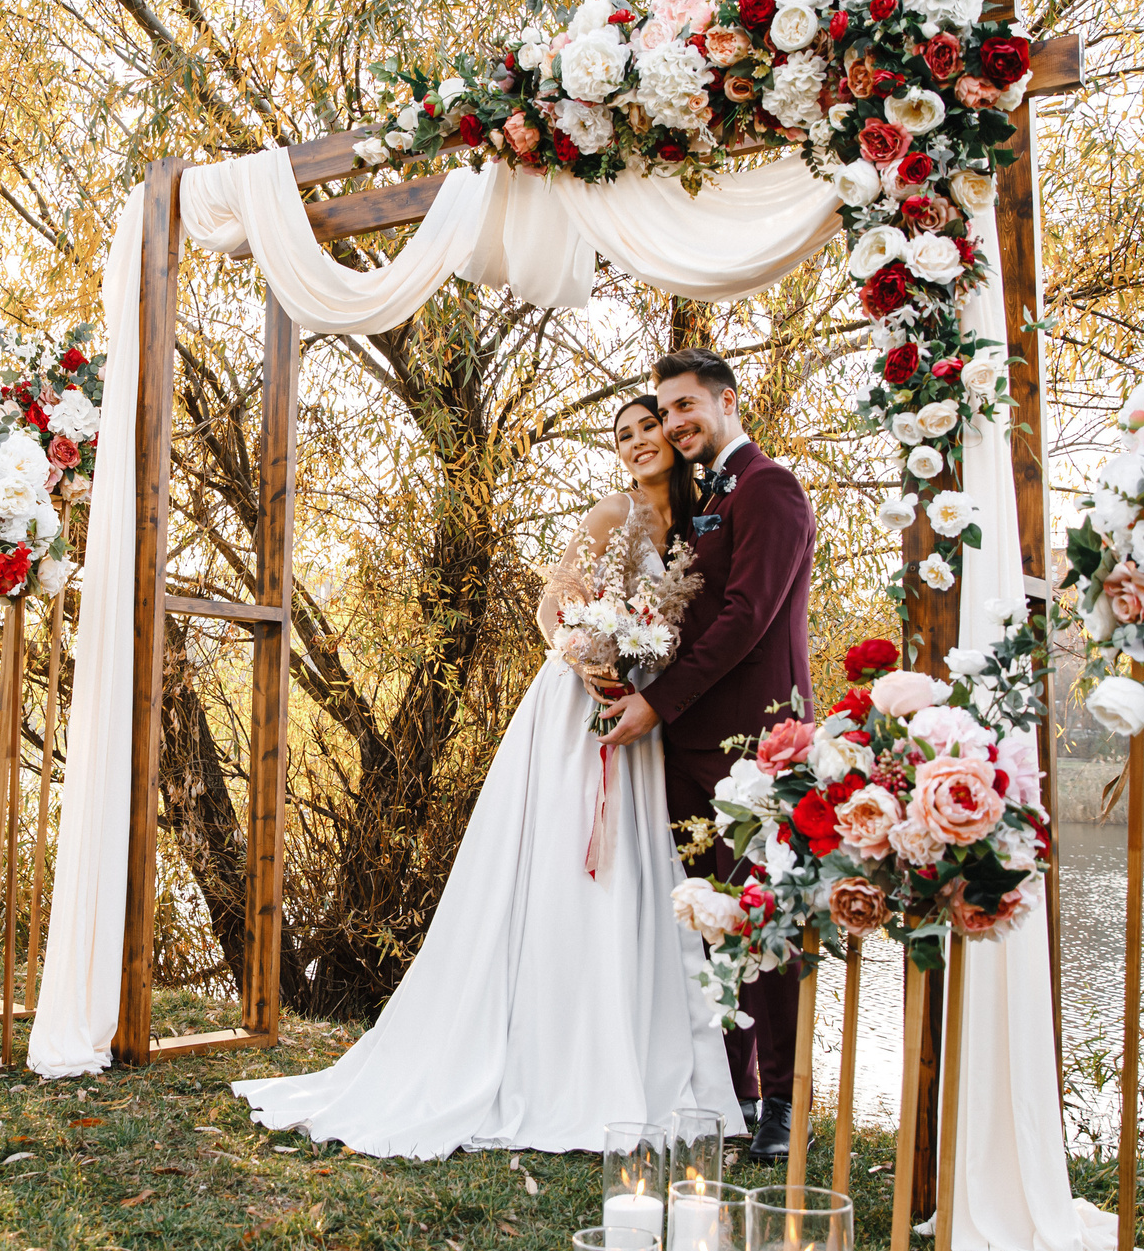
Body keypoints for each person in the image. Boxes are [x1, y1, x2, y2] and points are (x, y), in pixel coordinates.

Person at [231, 397, 744, 1157]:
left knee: (630, 873)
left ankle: (626, 1048)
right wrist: (588, 656)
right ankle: (556, 1059)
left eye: (648, 428)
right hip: (577, 706)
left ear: (674, 436)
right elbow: (552, 600)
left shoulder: (695, 528)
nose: (639, 441)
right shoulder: (614, 511)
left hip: (636, 717)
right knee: (565, 867)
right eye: (625, 434)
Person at [598, 348, 816, 1161]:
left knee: (768, 919)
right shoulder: (702, 499)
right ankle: (730, 1091)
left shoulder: (770, 488)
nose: (678, 420)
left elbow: (748, 615)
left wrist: (654, 698)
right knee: (705, 922)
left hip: (755, 745)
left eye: (687, 405)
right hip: (682, 748)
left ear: (727, 400)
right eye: (667, 408)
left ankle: (782, 1104)